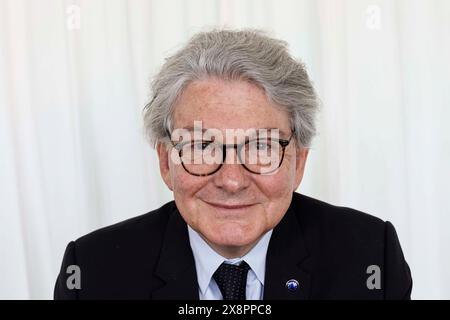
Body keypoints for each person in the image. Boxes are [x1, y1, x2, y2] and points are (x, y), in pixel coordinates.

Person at [54, 29, 412, 300]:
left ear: (298, 163)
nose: (231, 180)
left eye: (260, 147)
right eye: (202, 146)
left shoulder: (369, 257)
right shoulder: (92, 272)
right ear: (166, 161)